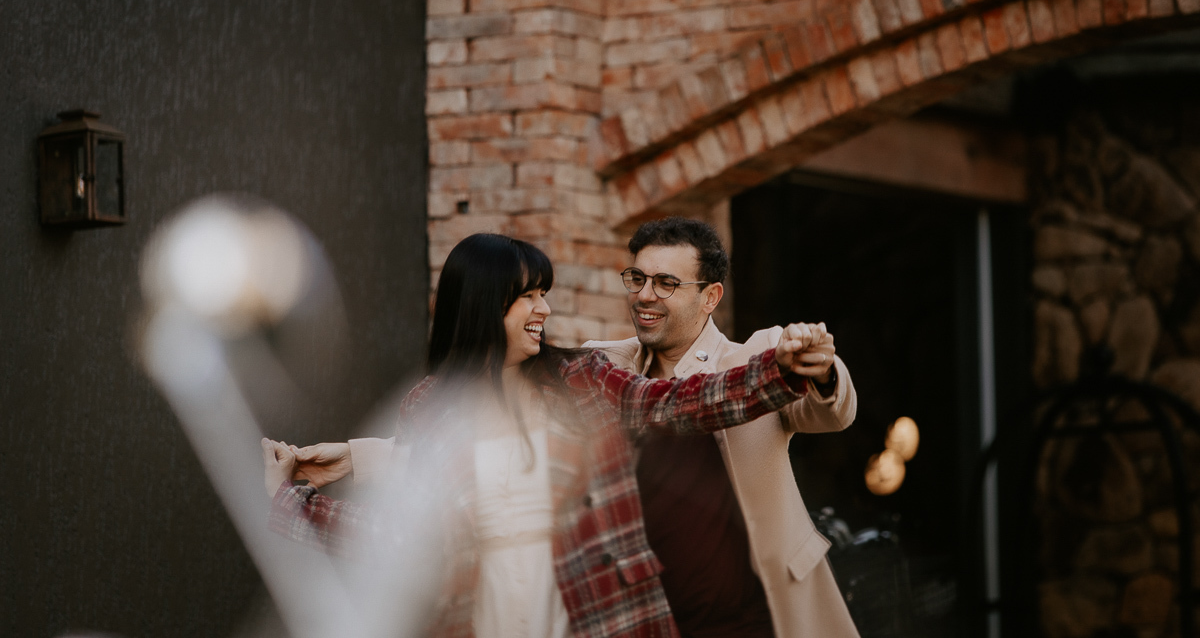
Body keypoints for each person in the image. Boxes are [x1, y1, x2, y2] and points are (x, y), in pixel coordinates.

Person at [263, 232, 838, 638]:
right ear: (485, 302)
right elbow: (406, 535)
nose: (543, 308)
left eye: (544, 293)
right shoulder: (429, 408)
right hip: (481, 616)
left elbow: (678, 402)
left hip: (597, 614)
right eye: (528, 295)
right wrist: (291, 502)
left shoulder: (582, 377)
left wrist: (781, 370)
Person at [584, 217, 860, 638]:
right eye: (637, 279)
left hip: (757, 619)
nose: (645, 295)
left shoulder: (755, 359)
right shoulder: (605, 366)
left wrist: (819, 368)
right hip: (648, 620)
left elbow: (833, 414)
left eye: (666, 283)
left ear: (710, 297)